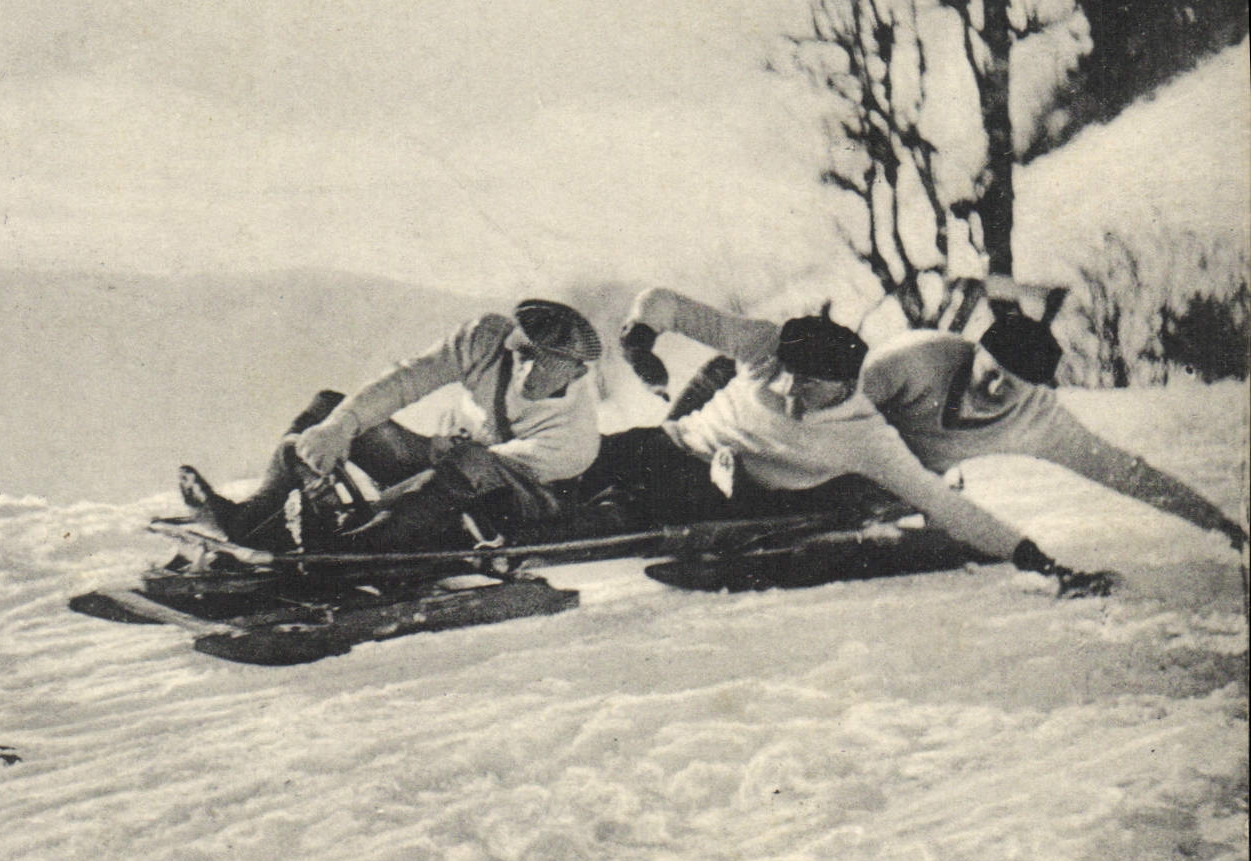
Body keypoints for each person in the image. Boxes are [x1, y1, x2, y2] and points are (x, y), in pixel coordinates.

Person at [578, 287, 1117, 597]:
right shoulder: (764, 343)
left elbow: (946, 504)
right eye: (784, 374)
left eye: (807, 386)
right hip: (670, 443)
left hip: (726, 488)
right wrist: (641, 337)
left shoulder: (867, 438)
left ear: (843, 386)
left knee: (625, 505)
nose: (787, 390)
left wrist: (1041, 562)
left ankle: (567, 518)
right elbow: (665, 302)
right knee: (587, 459)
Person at [178, 298, 604, 552]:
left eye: (545, 365)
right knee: (330, 407)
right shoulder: (487, 339)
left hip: (511, 505)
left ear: (576, 374)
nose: (527, 370)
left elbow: (486, 471)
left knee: (470, 464)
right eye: (525, 353)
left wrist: (399, 490)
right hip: (443, 470)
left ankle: (359, 551)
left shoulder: (574, 439)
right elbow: (406, 380)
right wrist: (341, 427)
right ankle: (250, 522)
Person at [860, 310, 1247, 551]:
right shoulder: (915, 357)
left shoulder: (1038, 420)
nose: (994, 389)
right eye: (991, 373)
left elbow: (1125, 472)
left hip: (902, 489)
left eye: (1011, 386)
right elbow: (820, 412)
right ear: (975, 352)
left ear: (1035, 391)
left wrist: (1216, 522)